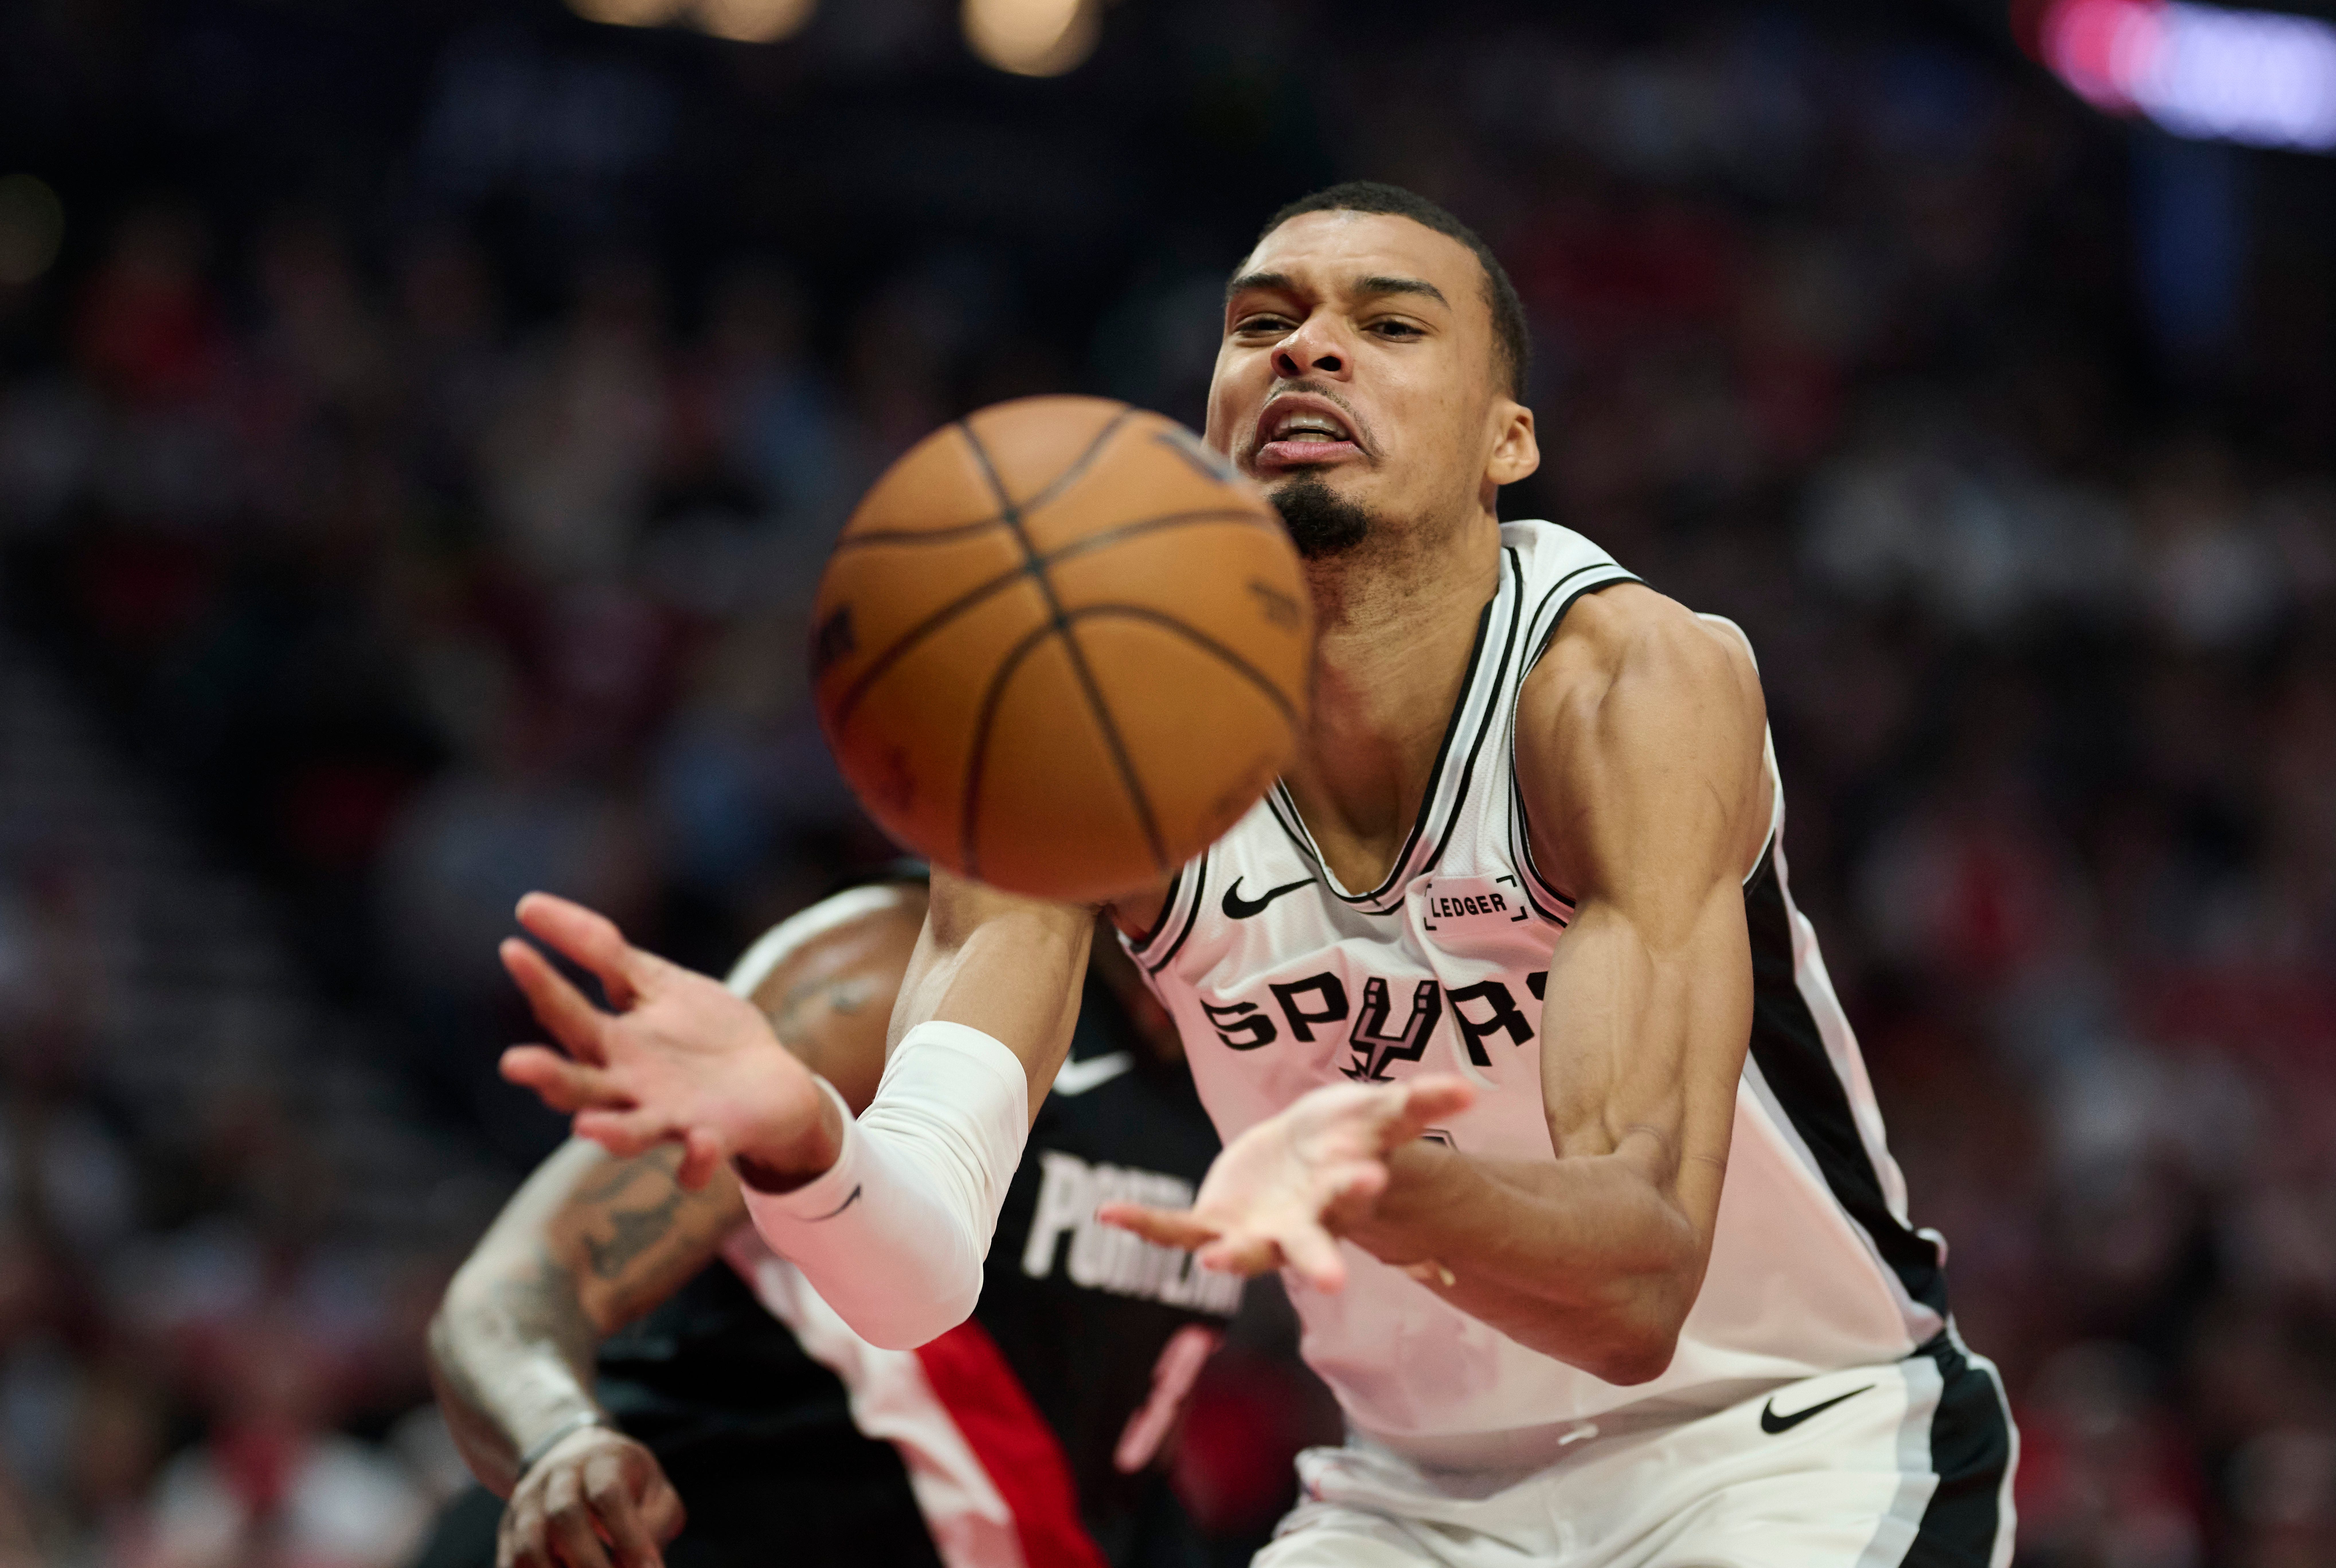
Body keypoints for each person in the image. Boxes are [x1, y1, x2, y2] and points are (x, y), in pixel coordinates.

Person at [497, 181, 2016, 1568]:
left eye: (1390, 323)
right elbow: (915, 1273)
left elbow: (1635, 1296)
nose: (1309, 351)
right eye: (1261, 324)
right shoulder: (1081, 735)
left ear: (1509, 439)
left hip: (1784, 1447)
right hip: (1422, 1491)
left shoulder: (1623, 687)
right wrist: (806, 1150)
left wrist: (1384, 1183)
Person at [426, 872, 1240, 1568]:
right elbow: (513, 1291)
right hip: (664, 1533)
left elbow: (1105, 1434)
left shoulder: (1274, 1056)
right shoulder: (889, 972)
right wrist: (560, 1444)